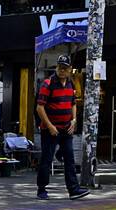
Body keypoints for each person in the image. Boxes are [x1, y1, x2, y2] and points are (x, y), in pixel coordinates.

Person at [36, 53, 89, 201]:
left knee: (70, 159)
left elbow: (73, 103)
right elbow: (40, 108)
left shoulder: (71, 83)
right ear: (56, 67)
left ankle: (73, 189)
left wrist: (74, 120)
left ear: (70, 69)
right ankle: (41, 188)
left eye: (65, 68)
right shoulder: (48, 84)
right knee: (46, 159)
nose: (62, 70)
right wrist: (50, 126)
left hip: (66, 128)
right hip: (50, 129)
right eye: (60, 67)